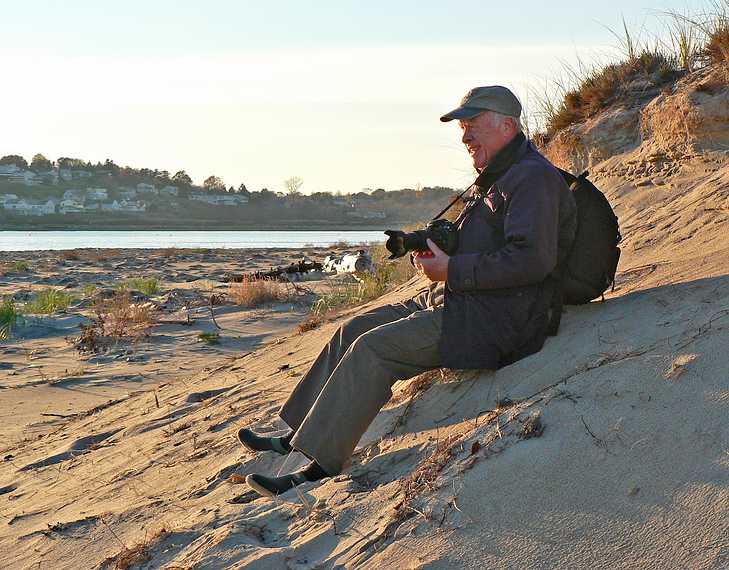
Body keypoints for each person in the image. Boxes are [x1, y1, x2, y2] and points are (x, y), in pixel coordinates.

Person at [241, 85, 577, 497]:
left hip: (501, 318)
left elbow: (530, 260)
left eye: (473, 125)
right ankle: (294, 432)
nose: (465, 136)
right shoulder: (500, 174)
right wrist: (440, 250)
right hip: (469, 296)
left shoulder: (532, 178)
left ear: (507, 125)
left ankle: (317, 466)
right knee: (353, 327)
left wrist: (452, 268)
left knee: (372, 349)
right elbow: (489, 240)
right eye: (463, 126)